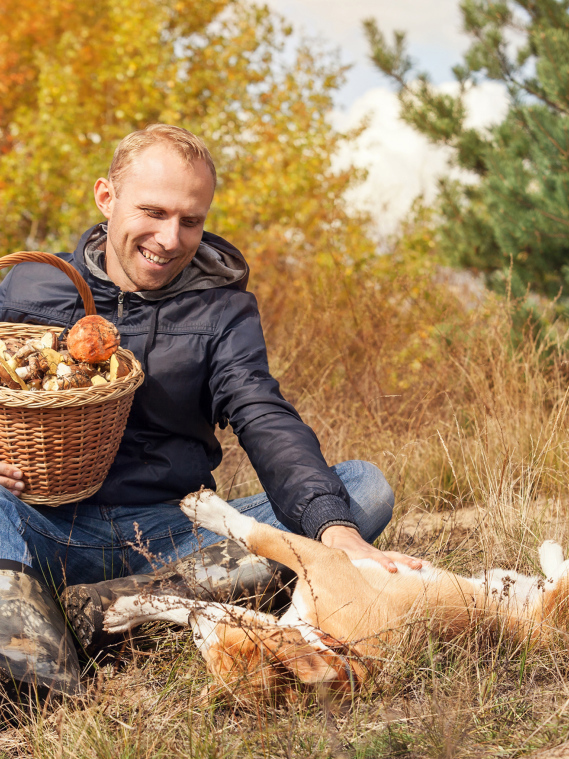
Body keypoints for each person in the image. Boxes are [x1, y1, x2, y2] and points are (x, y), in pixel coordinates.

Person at [0, 124, 420, 695]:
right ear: (106, 197)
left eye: (190, 220)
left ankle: (123, 609)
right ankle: (35, 670)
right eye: (153, 212)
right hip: (42, 524)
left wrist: (335, 529)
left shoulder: (223, 308)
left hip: (174, 530)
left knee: (362, 490)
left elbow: (260, 411)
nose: (170, 238)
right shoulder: (33, 284)